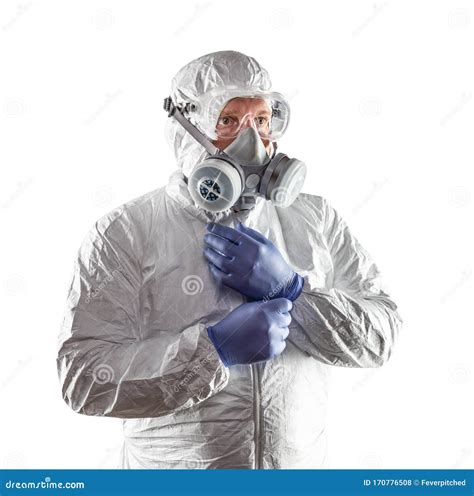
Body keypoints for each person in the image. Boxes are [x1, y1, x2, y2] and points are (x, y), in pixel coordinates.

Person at [57, 50, 403, 469]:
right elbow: (84, 380)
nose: (253, 143)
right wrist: (212, 351)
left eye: (260, 120)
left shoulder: (315, 219)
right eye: (228, 121)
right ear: (186, 131)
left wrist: (295, 292)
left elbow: (380, 338)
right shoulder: (126, 232)